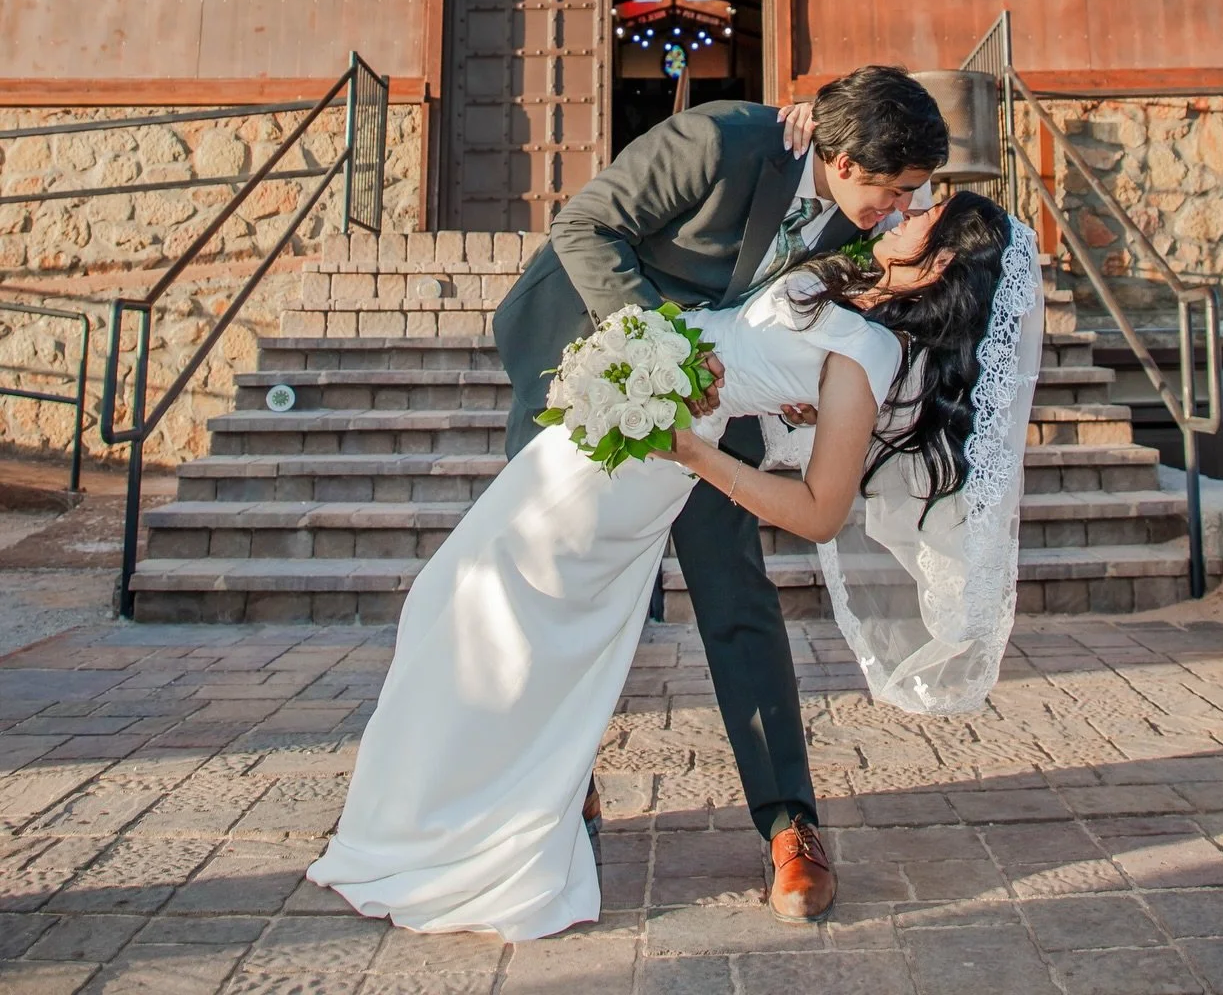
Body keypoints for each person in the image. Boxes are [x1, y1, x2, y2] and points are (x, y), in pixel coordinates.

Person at [307, 189, 1043, 943]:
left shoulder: (873, 350)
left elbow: (821, 509)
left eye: (923, 216)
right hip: (604, 432)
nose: (903, 211)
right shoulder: (849, 286)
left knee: (495, 617)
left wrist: (697, 453)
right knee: (457, 604)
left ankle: (453, 832)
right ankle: (443, 812)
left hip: (652, 458)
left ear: (943, 260)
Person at [487, 64, 948, 921]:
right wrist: (666, 354)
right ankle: (557, 793)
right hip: (583, 363)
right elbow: (585, 227)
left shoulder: (855, 214)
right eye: (894, 192)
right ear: (844, 161)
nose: (901, 211)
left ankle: (789, 824)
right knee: (555, 590)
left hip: (713, 399)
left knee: (736, 594)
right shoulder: (720, 142)